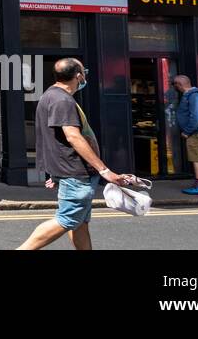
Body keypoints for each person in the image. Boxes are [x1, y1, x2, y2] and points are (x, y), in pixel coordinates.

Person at [19, 58, 133, 250]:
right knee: (66, 220)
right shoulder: (62, 100)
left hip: (69, 171)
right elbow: (73, 137)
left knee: (79, 222)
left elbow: (53, 139)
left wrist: (55, 174)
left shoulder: (51, 96)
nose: (85, 75)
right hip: (75, 172)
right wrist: (105, 170)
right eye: (84, 71)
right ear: (79, 76)